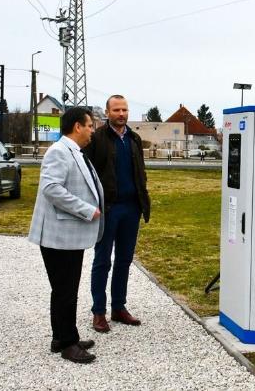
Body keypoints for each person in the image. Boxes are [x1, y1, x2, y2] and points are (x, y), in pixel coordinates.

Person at [28, 106, 104, 364]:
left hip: (67, 235)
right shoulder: (60, 151)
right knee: (65, 290)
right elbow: (51, 188)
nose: (93, 130)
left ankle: (61, 336)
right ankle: (68, 344)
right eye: (90, 125)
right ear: (77, 127)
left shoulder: (74, 151)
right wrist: (87, 210)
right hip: (58, 235)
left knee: (64, 288)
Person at [83, 95, 150, 333]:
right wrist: (93, 205)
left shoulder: (133, 138)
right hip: (108, 209)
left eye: (124, 110)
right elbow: (87, 174)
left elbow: (140, 172)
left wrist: (143, 200)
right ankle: (99, 312)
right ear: (108, 112)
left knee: (124, 260)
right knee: (102, 261)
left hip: (131, 209)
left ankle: (119, 308)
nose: (121, 114)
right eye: (116, 110)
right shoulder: (97, 138)